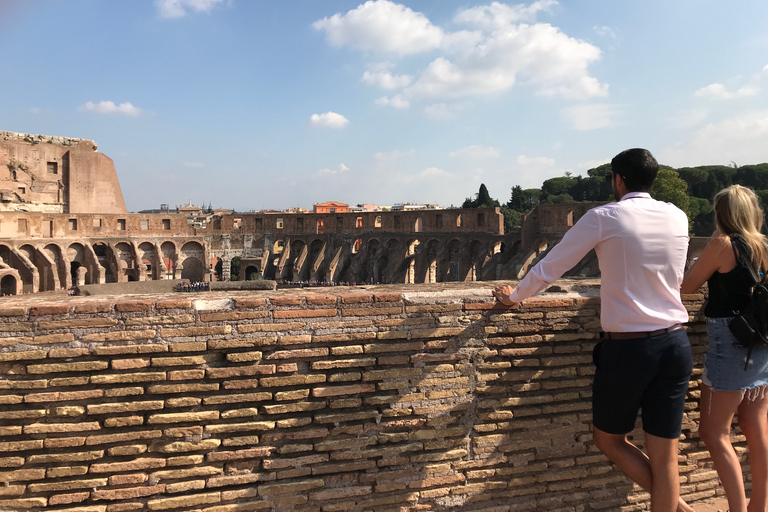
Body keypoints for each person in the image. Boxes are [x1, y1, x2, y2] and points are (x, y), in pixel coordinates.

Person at [493, 148, 694, 512]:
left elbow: (553, 265)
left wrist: (514, 298)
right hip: (676, 343)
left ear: (618, 180)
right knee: (665, 458)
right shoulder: (677, 216)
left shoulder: (604, 217)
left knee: (609, 440)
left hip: (630, 349)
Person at [680, 185, 768, 512]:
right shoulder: (764, 245)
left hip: (730, 346)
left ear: (723, 213)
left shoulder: (722, 244)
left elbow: (688, 287)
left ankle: (737, 509)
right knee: (757, 429)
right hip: (760, 344)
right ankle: (759, 505)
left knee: (714, 432)